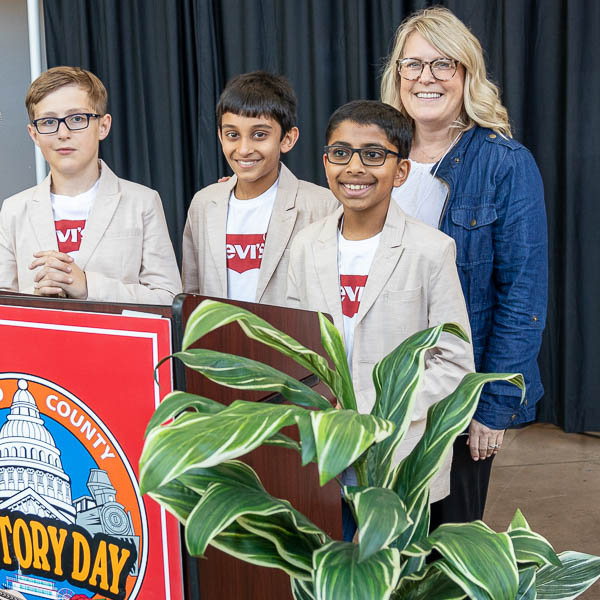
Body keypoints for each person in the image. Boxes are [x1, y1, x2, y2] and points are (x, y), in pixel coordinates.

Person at [380, 6, 548, 524]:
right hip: (377, 385)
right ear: (397, 75)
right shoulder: (374, 152)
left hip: (456, 393)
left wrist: (492, 405)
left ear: (467, 74)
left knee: (444, 545)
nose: (425, 78)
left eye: (443, 64)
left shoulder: (504, 162)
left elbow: (522, 295)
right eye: (413, 65)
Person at [287, 100, 474, 538]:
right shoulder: (305, 245)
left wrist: (377, 412)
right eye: (341, 153)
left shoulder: (431, 249)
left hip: (400, 455)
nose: (355, 167)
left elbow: (454, 361)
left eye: (373, 154)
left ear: (402, 170)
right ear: (326, 162)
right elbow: (294, 345)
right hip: (324, 449)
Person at [0, 66, 181, 304]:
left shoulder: (142, 202)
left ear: (103, 126)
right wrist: (37, 299)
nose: (62, 133)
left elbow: (169, 299)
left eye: (77, 118)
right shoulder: (13, 209)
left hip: (116, 341)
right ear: (34, 134)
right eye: (48, 121)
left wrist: (87, 286)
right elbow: (5, 303)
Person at [182, 71, 338, 306]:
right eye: (232, 135)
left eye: (259, 134)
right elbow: (191, 295)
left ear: (287, 138)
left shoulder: (322, 206)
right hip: (217, 342)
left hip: (288, 342)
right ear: (220, 136)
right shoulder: (203, 204)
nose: (244, 149)